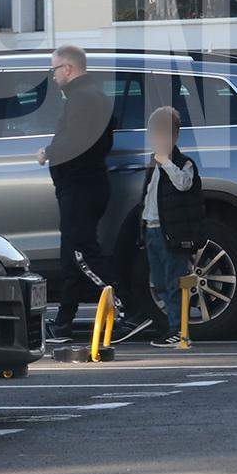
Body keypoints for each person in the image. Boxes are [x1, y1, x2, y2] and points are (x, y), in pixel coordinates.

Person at [39, 46, 153, 345]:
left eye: (54, 70)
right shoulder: (91, 96)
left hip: (80, 186)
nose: (53, 77)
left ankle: (132, 310)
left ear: (68, 69)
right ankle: (63, 323)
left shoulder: (83, 99)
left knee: (83, 254)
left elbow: (76, 141)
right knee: (71, 256)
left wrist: (47, 153)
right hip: (82, 185)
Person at [139, 106, 205, 348]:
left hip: (173, 233)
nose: (158, 141)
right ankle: (171, 325)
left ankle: (179, 329)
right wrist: (143, 223)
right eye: (155, 136)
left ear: (174, 137)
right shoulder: (153, 163)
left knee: (174, 281)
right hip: (153, 229)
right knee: (159, 282)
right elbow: (148, 195)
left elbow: (184, 184)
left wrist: (166, 162)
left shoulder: (182, 163)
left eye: (163, 136)